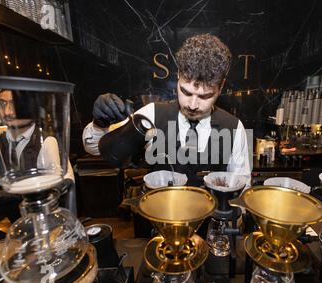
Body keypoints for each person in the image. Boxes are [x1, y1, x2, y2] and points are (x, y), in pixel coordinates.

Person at [83, 33, 251, 186]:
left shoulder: (234, 128)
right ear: (178, 74)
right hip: (159, 217)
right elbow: (95, 148)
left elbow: (241, 186)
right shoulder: (152, 115)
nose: (192, 105)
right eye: (185, 92)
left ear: (221, 86)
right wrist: (100, 123)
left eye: (204, 96)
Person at [0, 90, 75, 222]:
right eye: (2, 104)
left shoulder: (47, 141)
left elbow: (63, 183)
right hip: (15, 220)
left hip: (47, 219)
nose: (7, 112)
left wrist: (12, 195)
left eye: (14, 105)